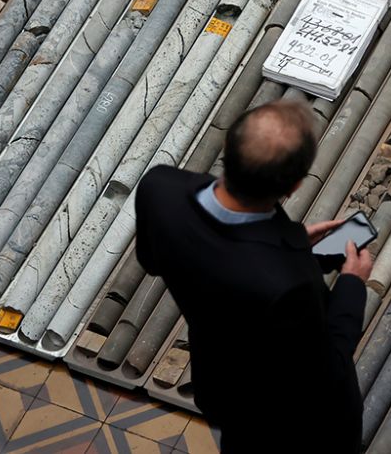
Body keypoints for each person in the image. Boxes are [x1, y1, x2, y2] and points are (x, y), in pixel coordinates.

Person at [134, 101, 372, 453]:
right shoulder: (290, 285)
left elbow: (153, 261)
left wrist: (286, 245)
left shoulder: (160, 188)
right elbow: (328, 372)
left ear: (226, 147)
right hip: (295, 424)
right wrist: (352, 283)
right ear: (294, 186)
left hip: (223, 388)